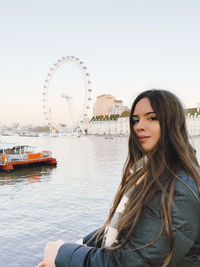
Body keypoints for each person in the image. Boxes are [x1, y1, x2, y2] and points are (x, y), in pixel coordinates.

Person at [38, 89, 200, 267]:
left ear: (172, 123)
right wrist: (78, 243)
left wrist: (61, 254)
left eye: (152, 117)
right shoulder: (150, 173)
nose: (139, 126)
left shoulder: (178, 189)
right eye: (135, 120)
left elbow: (131, 262)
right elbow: (120, 228)